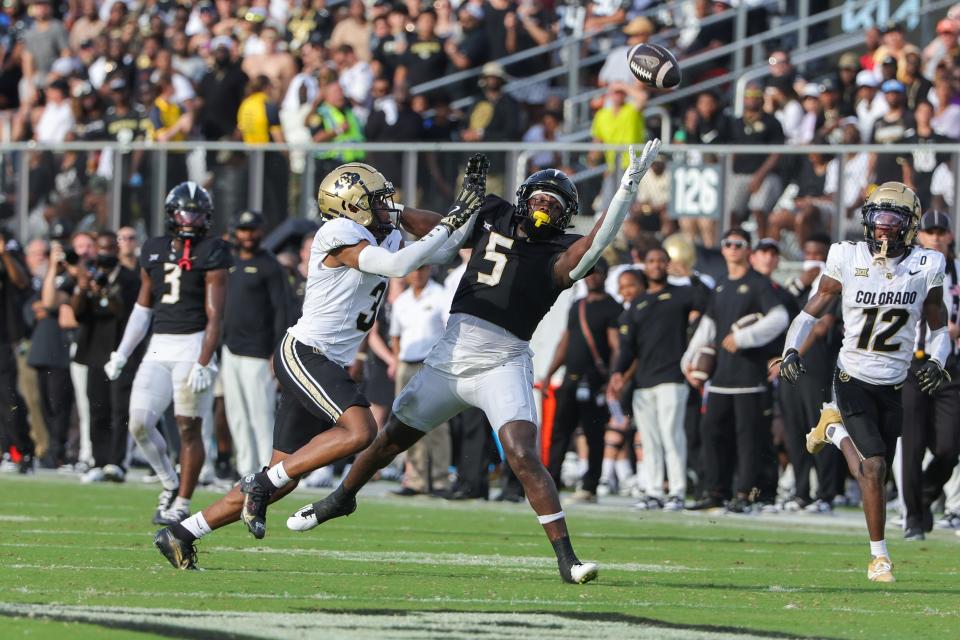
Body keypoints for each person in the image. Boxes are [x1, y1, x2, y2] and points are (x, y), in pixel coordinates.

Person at [291, 140, 662, 585]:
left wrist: (626, 188)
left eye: (554, 203)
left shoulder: (561, 253)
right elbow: (437, 228)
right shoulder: (495, 214)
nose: (544, 206)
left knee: (523, 454)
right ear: (524, 200)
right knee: (389, 439)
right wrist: (386, 206)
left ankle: (567, 558)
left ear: (566, 215)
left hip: (502, 362)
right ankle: (341, 497)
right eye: (539, 197)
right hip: (449, 357)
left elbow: (599, 240)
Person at [154, 158, 486, 569]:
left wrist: (456, 212)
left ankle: (183, 532)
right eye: (379, 201)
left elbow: (451, 246)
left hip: (326, 360)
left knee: (282, 478)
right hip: (304, 354)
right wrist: (450, 218)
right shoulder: (338, 232)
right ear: (351, 206)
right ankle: (256, 483)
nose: (388, 207)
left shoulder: (379, 233)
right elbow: (400, 265)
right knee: (360, 429)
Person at [780, 182, 950, 583]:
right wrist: (791, 349)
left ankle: (834, 429)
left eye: (894, 221)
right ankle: (879, 557)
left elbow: (939, 323)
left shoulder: (927, 264)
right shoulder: (847, 255)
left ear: (910, 226)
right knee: (873, 468)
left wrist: (938, 360)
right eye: (878, 219)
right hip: (852, 375)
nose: (884, 228)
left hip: (894, 381)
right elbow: (811, 311)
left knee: (873, 472)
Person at [103, 182, 232, 525]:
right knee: (141, 423)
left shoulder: (213, 251)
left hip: (193, 344)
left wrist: (206, 358)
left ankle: (183, 502)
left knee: (188, 428)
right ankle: (169, 482)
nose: (190, 219)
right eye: (184, 211)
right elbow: (143, 308)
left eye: (196, 212)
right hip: (159, 344)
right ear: (172, 213)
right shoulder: (154, 249)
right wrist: (122, 352)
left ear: (207, 216)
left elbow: (215, 316)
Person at [682, 228, 790, 513]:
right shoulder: (720, 284)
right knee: (712, 433)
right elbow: (709, 325)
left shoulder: (758, 284)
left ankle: (745, 494)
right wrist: (689, 358)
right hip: (720, 377)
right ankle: (716, 491)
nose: (732, 249)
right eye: (727, 243)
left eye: (738, 244)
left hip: (749, 377)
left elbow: (779, 318)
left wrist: (745, 338)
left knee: (748, 439)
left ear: (748, 251)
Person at [611, 247, 705, 510]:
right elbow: (628, 347)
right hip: (643, 383)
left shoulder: (680, 293)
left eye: (660, 261)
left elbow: (705, 301)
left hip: (672, 378)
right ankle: (652, 491)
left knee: (672, 435)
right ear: (645, 265)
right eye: (651, 261)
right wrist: (618, 373)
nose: (655, 265)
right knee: (649, 439)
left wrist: (691, 275)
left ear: (667, 264)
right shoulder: (637, 305)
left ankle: (676, 491)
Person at [899, 210, 960, 541]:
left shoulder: (958, 271)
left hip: (950, 367)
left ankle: (924, 493)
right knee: (913, 443)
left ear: (949, 235)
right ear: (919, 235)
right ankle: (913, 517)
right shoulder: (908, 268)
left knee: (950, 444)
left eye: (941, 231)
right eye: (929, 231)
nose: (935, 236)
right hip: (914, 363)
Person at [543, 258, 621, 503]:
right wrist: (548, 373)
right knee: (560, 433)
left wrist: (613, 376)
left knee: (593, 434)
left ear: (607, 276)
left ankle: (590, 486)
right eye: (590, 273)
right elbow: (565, 341)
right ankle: (551, 482)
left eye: (599, 273)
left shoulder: (613, 308)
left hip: (595, 381)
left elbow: (616, 346)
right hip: (570, 379)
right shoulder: (578, 305)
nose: (594, 277)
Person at [221, 210, 291, 477]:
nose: (247, 236)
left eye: (252, 230)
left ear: (261, 232)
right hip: (231, 349)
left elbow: (281, 311)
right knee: (236, 415)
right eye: (243, 230)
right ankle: (245, 472)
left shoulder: (269, 265)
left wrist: (276, 352)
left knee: (261, 415)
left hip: (259, 353)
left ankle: (268, 472)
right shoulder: (230, 261)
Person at [70, 231, 141, 483]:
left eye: (110, 248)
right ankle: (98, 461)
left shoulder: (130, 278)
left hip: (121, 351)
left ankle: (117, 461)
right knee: (97, 407)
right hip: (94, 352)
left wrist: (105, 291)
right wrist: (82, 287)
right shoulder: (88, 275)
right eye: (101, 248)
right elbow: (77, 313)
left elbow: (123, 312)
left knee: (120, 409)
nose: (105, 254)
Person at [389, 265, 450, 496]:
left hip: (431, 364)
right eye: (414, 270)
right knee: (406, 422)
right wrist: (396, 361)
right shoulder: (402, 300)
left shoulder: (440, 294)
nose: (418, 274)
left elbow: (448, 329)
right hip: (407, 363)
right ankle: (415, 479)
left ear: (430, 270)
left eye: (422, 269)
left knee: (438, 424)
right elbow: (395, 336)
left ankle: (441, 479)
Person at [0, 229, 33, 472]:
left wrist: (4, 254)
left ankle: (18, 450)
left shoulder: (8, 243)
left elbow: (21, 281)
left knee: (8, 398)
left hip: (4, 338)